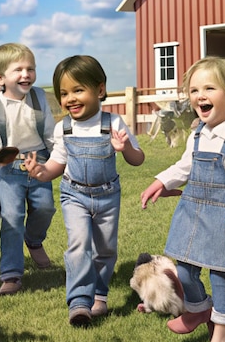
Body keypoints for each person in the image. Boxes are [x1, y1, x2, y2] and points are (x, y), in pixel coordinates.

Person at [140, 56, 225, 342]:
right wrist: (161, 180)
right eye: (194, 89)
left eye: (209, 88)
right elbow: (186, 166)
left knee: (221, 276)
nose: (200, 95)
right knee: (183, 269)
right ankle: (198, 308)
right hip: (193, 211)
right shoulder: (198, 133)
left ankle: (220, 338)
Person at [24, 55, 145, 327]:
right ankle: (79, 302)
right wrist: (41, 172)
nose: (70, 99)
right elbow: (57, 163)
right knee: (78, 246)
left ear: (100, 90)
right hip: (74, 195)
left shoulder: (113, 123)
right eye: (64, 93)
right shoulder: (63, 127)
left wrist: (123, 148)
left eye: (78, 90)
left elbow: (138, 159)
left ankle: (99, 295)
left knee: (105, 249)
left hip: (107, 196)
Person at [0, 43, 57, 295]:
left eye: (31, 69)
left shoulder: (40, 98)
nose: (26, 74)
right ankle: (11, 274)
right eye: (19, 70)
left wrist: (58, 158)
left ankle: (34, 241)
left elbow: (50, 133)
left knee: (45, 207)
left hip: (40, 161)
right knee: (12, 217)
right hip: (7, 167)